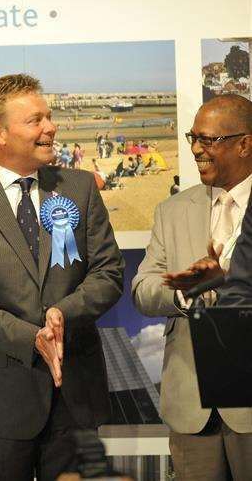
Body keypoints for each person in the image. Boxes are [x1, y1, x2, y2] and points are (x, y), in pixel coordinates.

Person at [0, 74, 124, 481]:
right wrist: (30, 338)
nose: (50, 128)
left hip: (76, 396)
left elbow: (108, 273)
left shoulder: (79, 188)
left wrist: (61, 313)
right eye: (35, 120)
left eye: (49, 117)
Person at [132, 94, 252, 480]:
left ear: (244, 143)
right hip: (192, 409)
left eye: (208, 140)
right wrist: (183, 292)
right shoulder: (172, 211)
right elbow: (143, 289)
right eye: (192, 138)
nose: (196, 149)